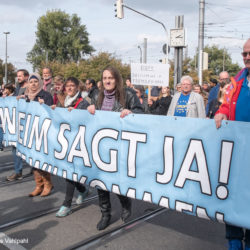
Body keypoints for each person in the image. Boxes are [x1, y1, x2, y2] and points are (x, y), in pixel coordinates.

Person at [87, 66, 143, 230]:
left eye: (110, 77)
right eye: (104, 78)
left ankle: (126, 204)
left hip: (120, 147)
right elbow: (80, 110)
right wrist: (87, 108)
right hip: (100, 147)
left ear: (117, 79)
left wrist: (131, 112)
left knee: (117, 182)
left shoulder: (128, 94)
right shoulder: (96, 94)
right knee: (101, 183)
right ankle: (105, 214)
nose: (107, 81)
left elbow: (141, 112)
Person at [214, 38, 250, 250]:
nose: (246, 57)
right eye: (244, 53)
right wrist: (220, 113)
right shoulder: (237, 81)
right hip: (237, 156)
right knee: (234, 203)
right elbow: (226, 106)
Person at [55, 77, 90, 217]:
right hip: (66, 141)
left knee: (70, 172)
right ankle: (82, 189)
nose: (69, 88)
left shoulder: (83, 102)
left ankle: (66, 204)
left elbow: (88, 120)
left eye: (72, 86)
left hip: (78, 142)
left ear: (77, 87)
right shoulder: (62, 101)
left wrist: (75, 115)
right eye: (67, 86)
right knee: (68, 172)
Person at [21, 73, 54, 197]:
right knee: (32, 159)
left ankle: (47, 184)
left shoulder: (46, 95)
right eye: (31, 82)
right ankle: (38, 185)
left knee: (41, 159)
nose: (33, 84)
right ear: (28, 84)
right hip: (30, 133)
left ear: (39, 83)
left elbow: (51, 113)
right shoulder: (26, 97)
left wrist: (43, 105)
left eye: (35, 82)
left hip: (42, 133)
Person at [6, 69, 29, 181]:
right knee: (15, 148)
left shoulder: (30, 88)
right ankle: (18, 171)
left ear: (26, 76)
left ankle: (40, 174)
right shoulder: (18, 89)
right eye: (17, 76)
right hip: (18, 123)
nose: (18, 78)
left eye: (20, 76)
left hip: (28, 123)